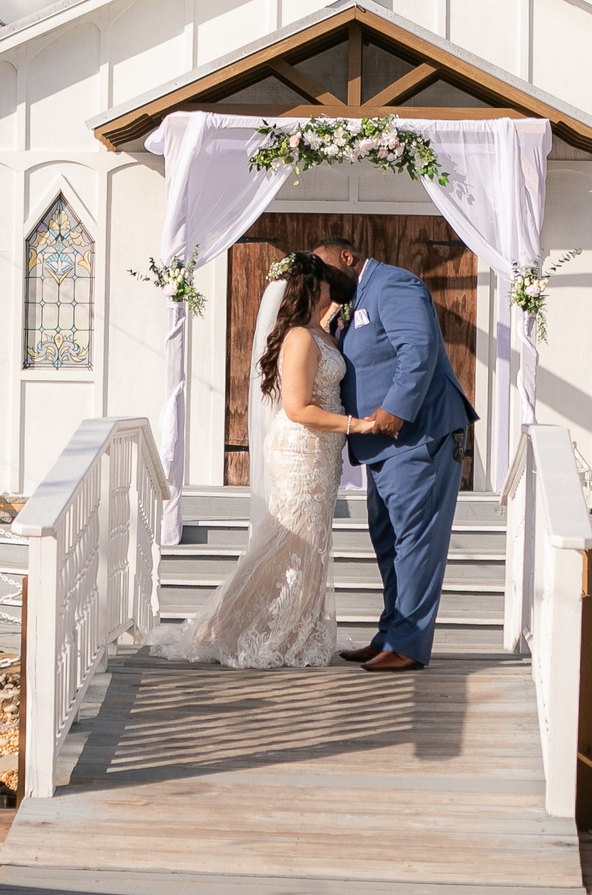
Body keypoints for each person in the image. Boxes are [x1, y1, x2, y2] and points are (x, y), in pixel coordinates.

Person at [154, 252, 375, 669]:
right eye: (326, 282)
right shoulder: (298, 338)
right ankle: (220, 626)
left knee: (311, 542)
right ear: (311, 288)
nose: (332, 287)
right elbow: (297, 408)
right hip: (301, 451)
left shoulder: (320, 332)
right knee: (283, 541)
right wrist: (356, 426)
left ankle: (297, 627)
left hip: (322, 456)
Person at [313, 235, 477, 672]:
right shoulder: (354, 301)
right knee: (388, 540)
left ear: (348, 257)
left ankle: (408, 644)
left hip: (416, 434)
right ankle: (390, 633)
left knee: (415, 541)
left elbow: (417, 350)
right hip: (380, 444)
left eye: (328, 269)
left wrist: (394, 411)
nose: (325, 280)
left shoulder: (393, 284)